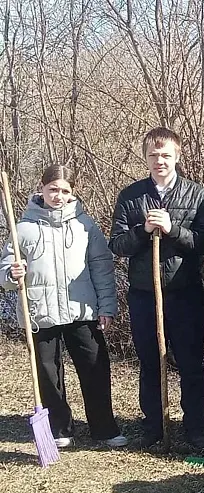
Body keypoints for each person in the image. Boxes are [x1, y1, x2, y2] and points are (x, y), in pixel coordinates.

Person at [1, 165, 127, 449]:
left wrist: (106, 306)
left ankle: (104, 427)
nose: (58, 196)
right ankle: (59, 428)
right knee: (48, 373)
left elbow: (102, 268)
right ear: (41, 189)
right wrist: (12, 274)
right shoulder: (23, 228)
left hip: (80, 310)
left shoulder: (85, 226)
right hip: (40, 312)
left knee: (95, 366)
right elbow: (5, 270)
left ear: (73, 193)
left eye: (64, 191)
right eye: (53, 189)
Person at [109, 127, 204, 450]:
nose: (160, 161)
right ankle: (154, 426)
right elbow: (117, 244)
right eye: (153, 155)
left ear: (177, 156)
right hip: (144, 295)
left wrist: (171, 229)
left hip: (185, 294)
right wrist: (144, 231)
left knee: (190, 363)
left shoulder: (198, 195)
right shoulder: (131, 196)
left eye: (166, 155)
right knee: (150, 362)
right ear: (145, 157)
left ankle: (195, 428)